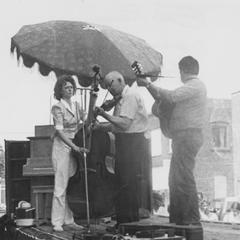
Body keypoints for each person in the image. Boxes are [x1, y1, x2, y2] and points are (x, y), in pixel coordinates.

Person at [137, 56, 207, 225]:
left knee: (183, 177)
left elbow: (171, 97)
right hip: (183, 137)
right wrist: (148, 85)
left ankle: (191, 220)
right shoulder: (193, 87)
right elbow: (166, 98)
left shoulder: (195, 86)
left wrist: (147, 84)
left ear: (183, 70)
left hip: (187, 136)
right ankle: (179, 218)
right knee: (176, 178)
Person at [94, 71, 152, 226]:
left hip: (132, 142)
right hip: (126, 141)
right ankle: (126, 221)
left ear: (120, 80)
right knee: (124, 181)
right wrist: (100, 127)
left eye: (110, 85)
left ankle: (127, 222)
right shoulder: (121, 99)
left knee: (126, 182)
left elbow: (124, 124)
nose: (109, 89)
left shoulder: (130, 96)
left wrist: (103, 114)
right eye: (106, 86)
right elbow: (116, 125)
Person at [51, 75, 86, 232]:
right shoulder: (57, 107)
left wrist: (86, 116)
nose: (70, 89)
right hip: (62, 148)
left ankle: (69, 220)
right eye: (66, 87)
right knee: (60, 186)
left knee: (71, 184)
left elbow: (82, 124)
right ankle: (57, 222)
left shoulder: (77, 105)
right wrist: (74, 146)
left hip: (74, 146)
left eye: (72, 87)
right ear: (60, 90)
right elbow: (59, 132)